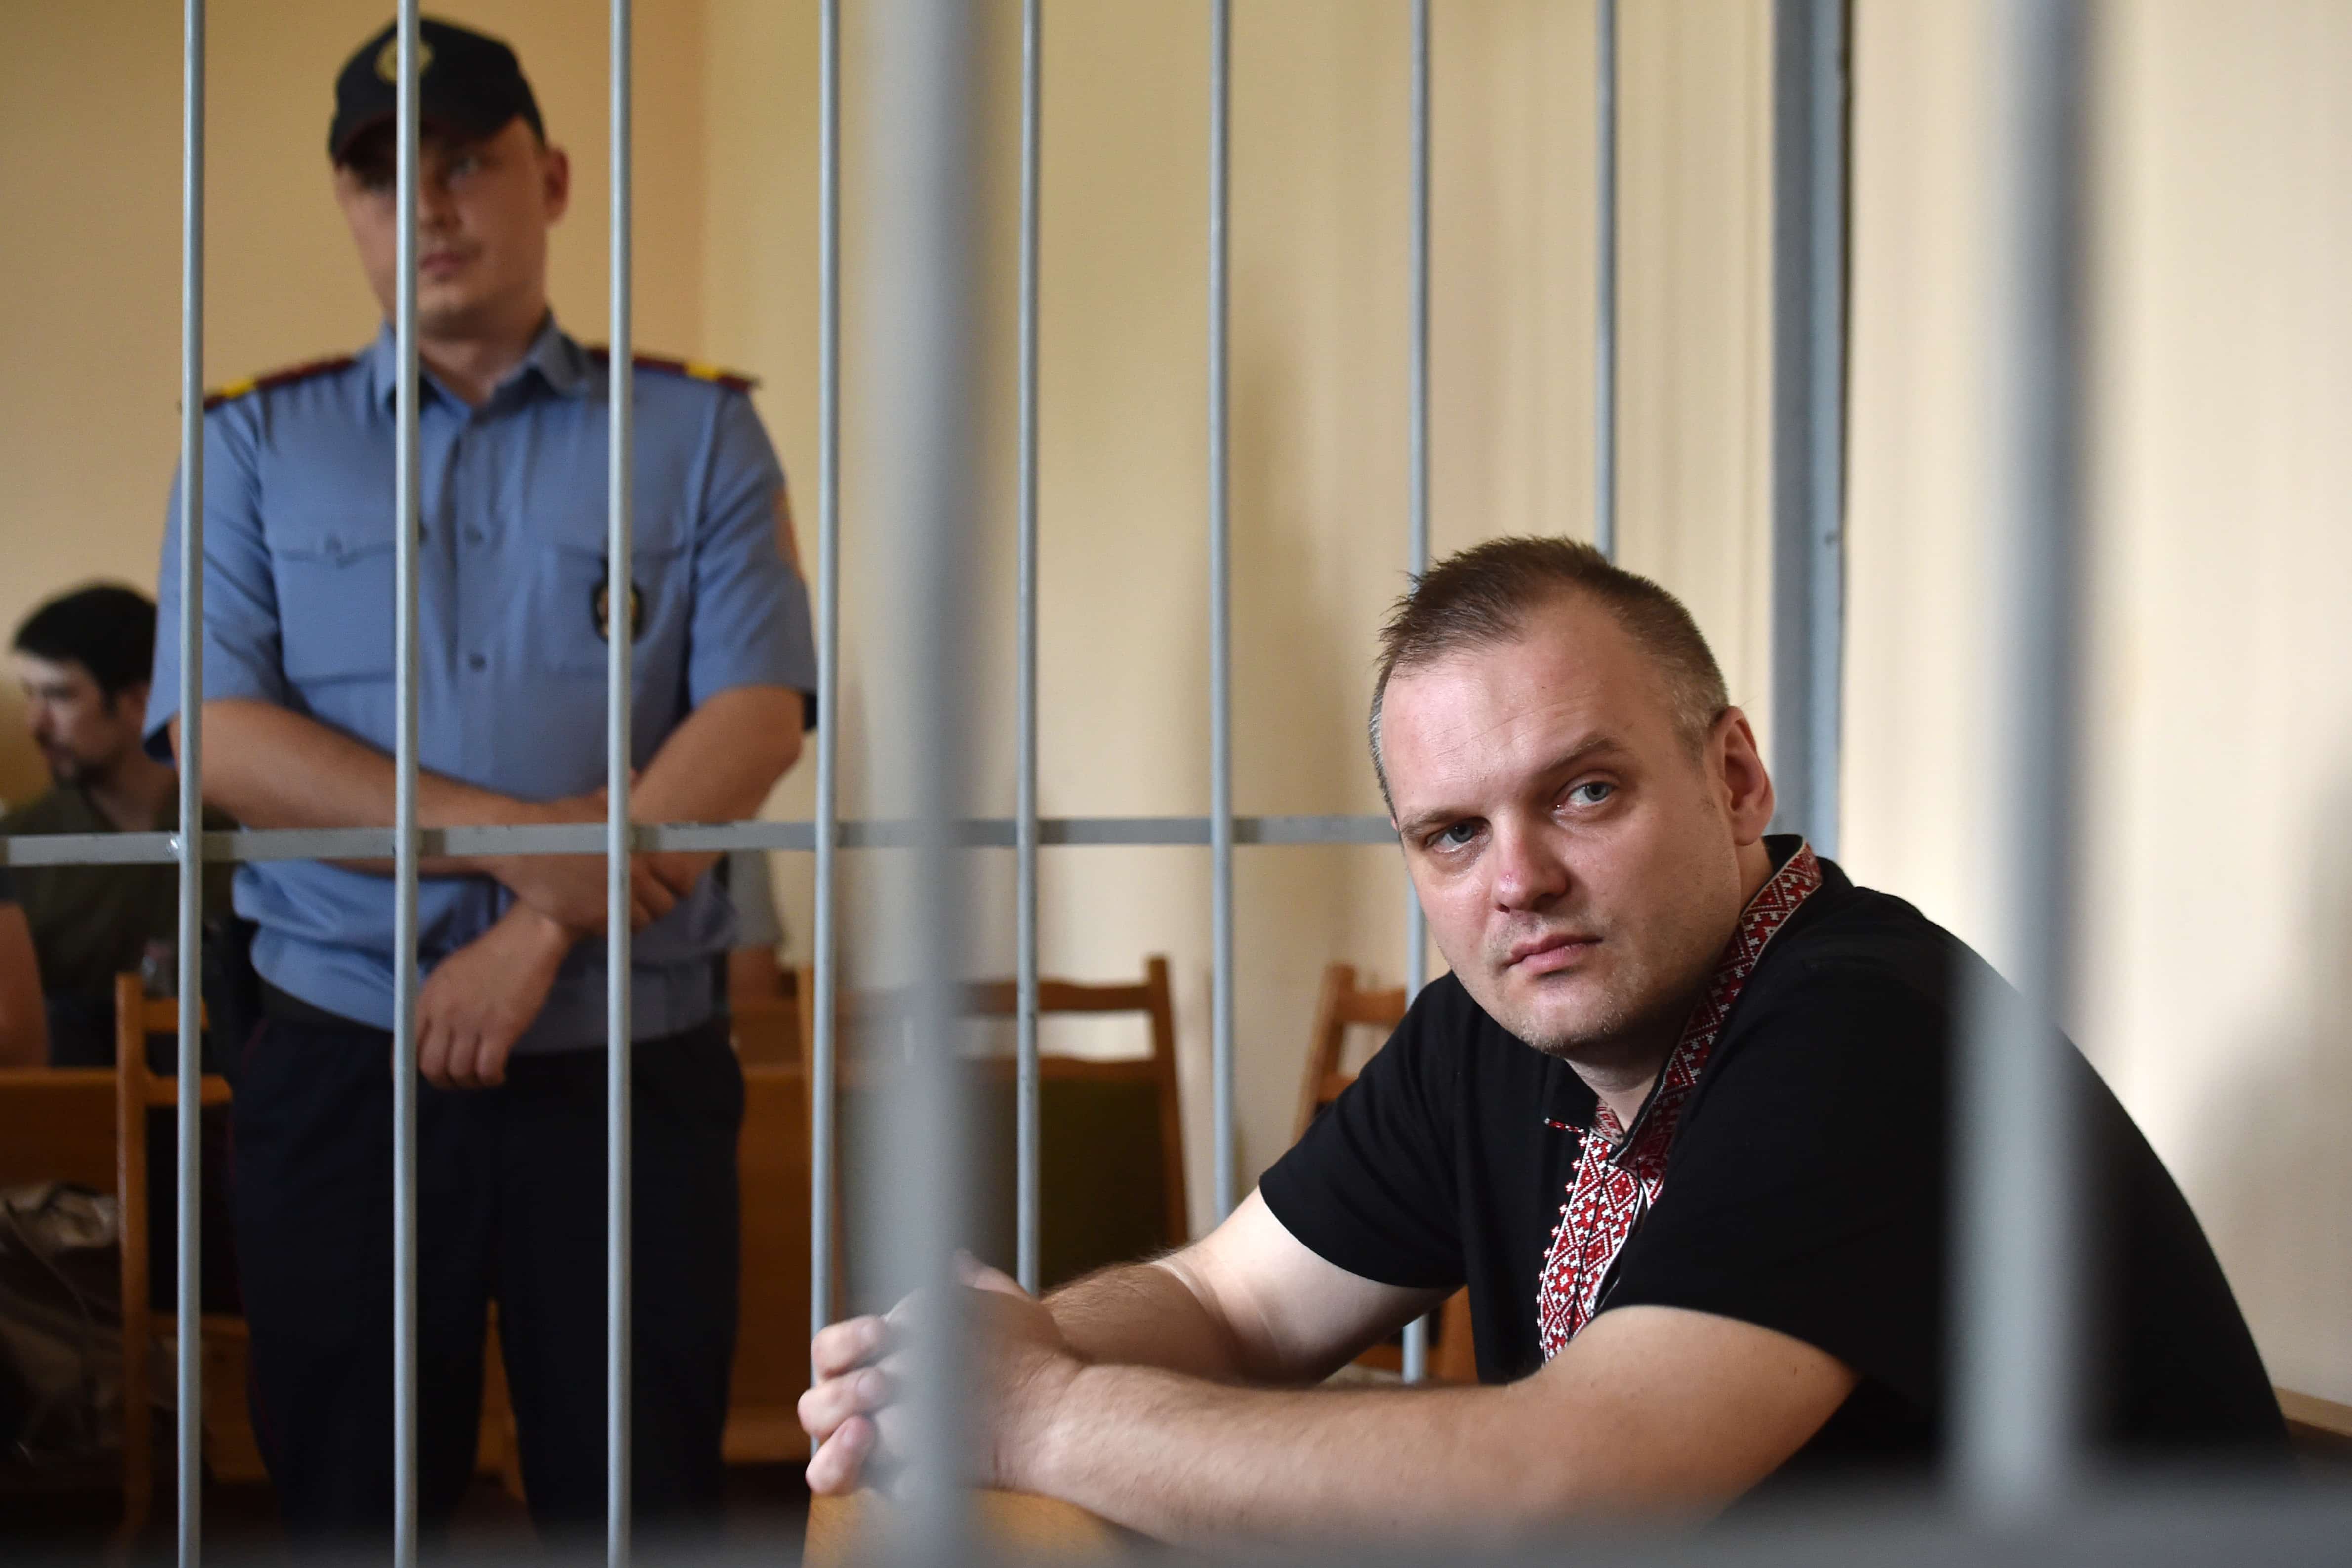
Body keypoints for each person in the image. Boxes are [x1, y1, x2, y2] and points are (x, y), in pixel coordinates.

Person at [798, 536, 2284, 1544]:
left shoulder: (1865, 1035)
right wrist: (1002, 1347)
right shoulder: (1492, 1032)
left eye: (1581, 792)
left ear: (1733, 772)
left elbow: (1570, 1484)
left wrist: (1052, 1409)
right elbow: (1231, 1299)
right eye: (1452, 831)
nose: (1517, 880)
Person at [148, 17, 815, 1540]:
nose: (428, 207)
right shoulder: (255, 440)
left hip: (626, 1060)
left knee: (634, 1499)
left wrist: (541, 930)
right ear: (351, 207)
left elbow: (759, 713)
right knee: (347, 1500)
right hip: (341, 1050)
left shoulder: (695, 428)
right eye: (383, 179)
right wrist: (531, 849)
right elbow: (220, 734)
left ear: (553, 179)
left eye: (465, 164)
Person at [4, 585, 231, 1065]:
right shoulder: (19, 848)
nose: (35, 724)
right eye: (31, 697)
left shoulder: (241, 830)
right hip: (73, 1119)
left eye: (59, 696)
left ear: (139, 700)